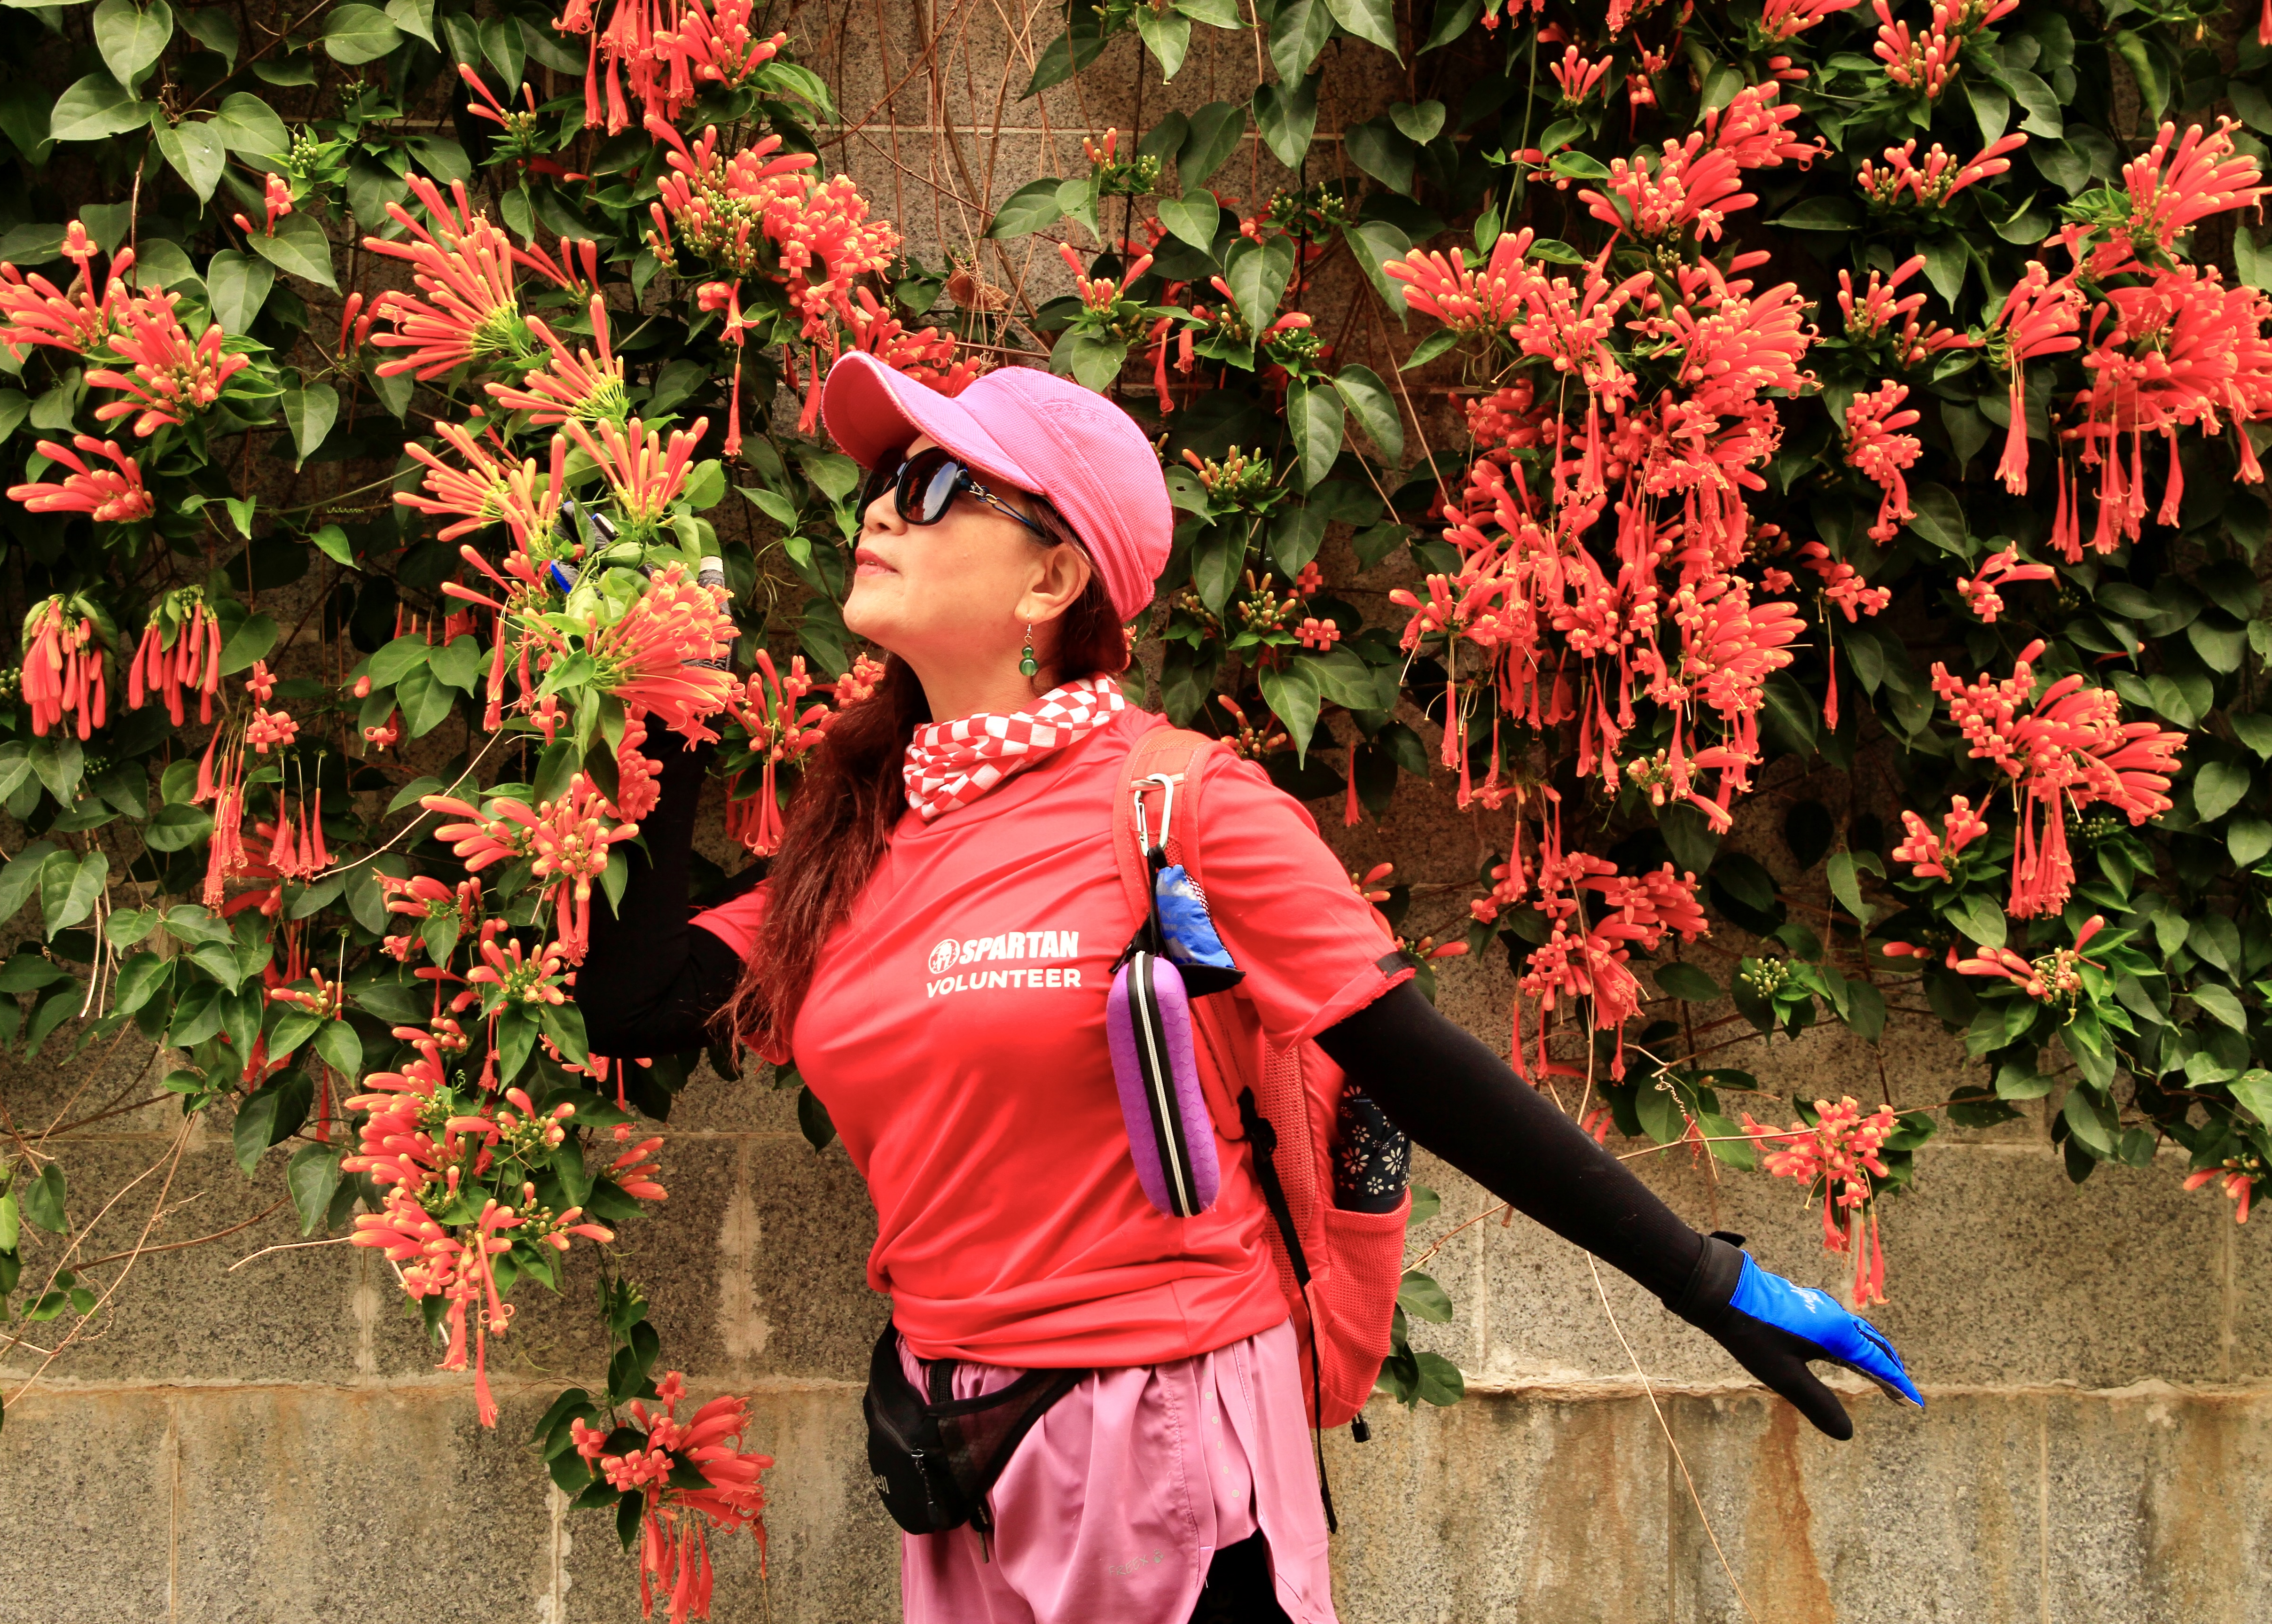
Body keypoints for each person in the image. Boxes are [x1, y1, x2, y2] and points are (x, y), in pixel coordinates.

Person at [574, 351, 1922, 1624]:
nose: (880, 511)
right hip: (950, 1442)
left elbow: (1416, 1066)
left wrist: (1705, 1279)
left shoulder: (1183, 807)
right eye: (884, 483)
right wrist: (660, 707)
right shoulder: (858, 841)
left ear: (1053, 579)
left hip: (1162, 1435)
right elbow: (634, 1004)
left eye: (932, 488)